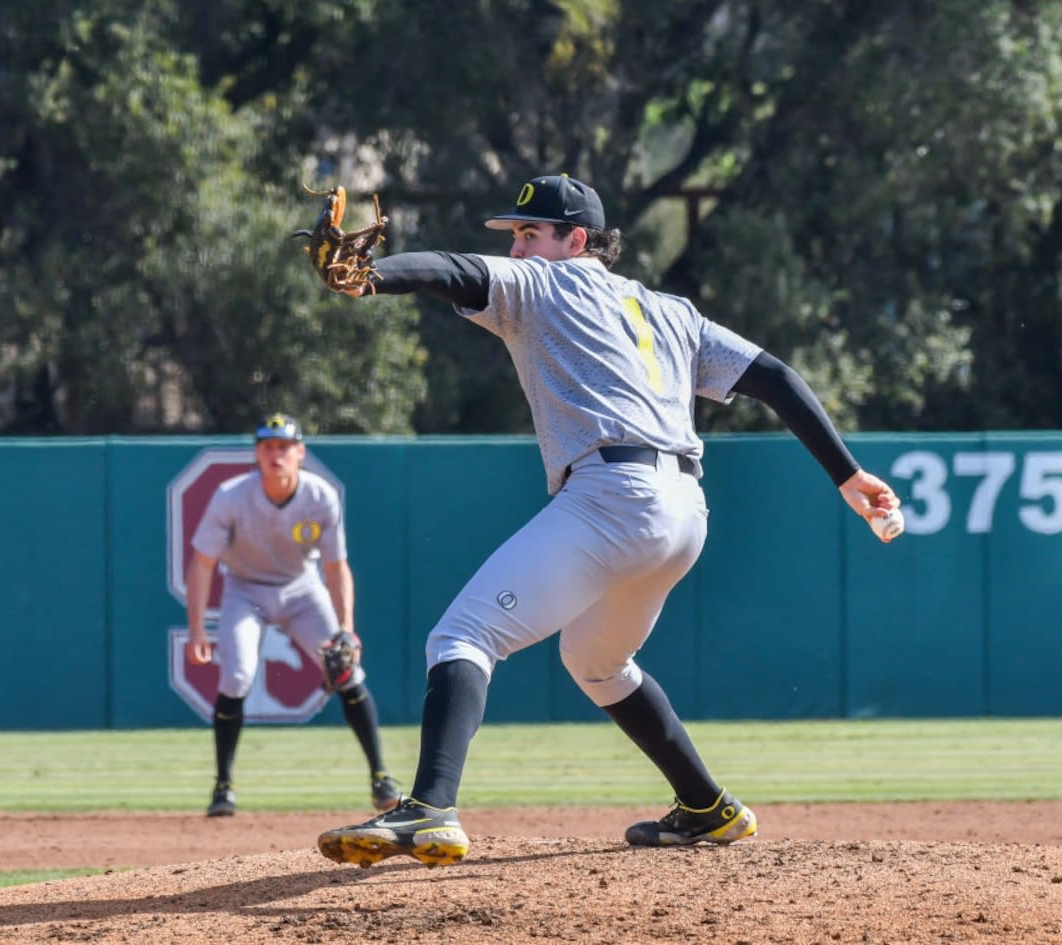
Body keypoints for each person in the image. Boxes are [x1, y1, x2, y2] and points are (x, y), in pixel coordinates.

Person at [314, 174, 902, 868]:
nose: (521, 246)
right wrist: (847, 473)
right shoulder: (672, 310)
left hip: (613, 494)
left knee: (462, 635)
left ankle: (431, 807)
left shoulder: (545, 284)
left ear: (578, 240)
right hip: (683, 512)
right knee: (594, 660)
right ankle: (707, 806)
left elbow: (454, 270)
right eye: (518, 235)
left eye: (533, 233)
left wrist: (371, 275)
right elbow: (773, 375)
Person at [186, 411, 401, 817]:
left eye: (284, 447)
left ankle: (380, 778)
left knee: (346, 670)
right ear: (257, 454)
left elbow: (337, 567)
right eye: (268, 447)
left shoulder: (320, 496)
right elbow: (202, 564)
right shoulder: (231, 496)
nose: (276, 455)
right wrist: (198, 628)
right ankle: (223, 785)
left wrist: (347, 631)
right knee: (236, 676)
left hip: (301, 589)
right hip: (245, 590)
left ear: (300, 452)